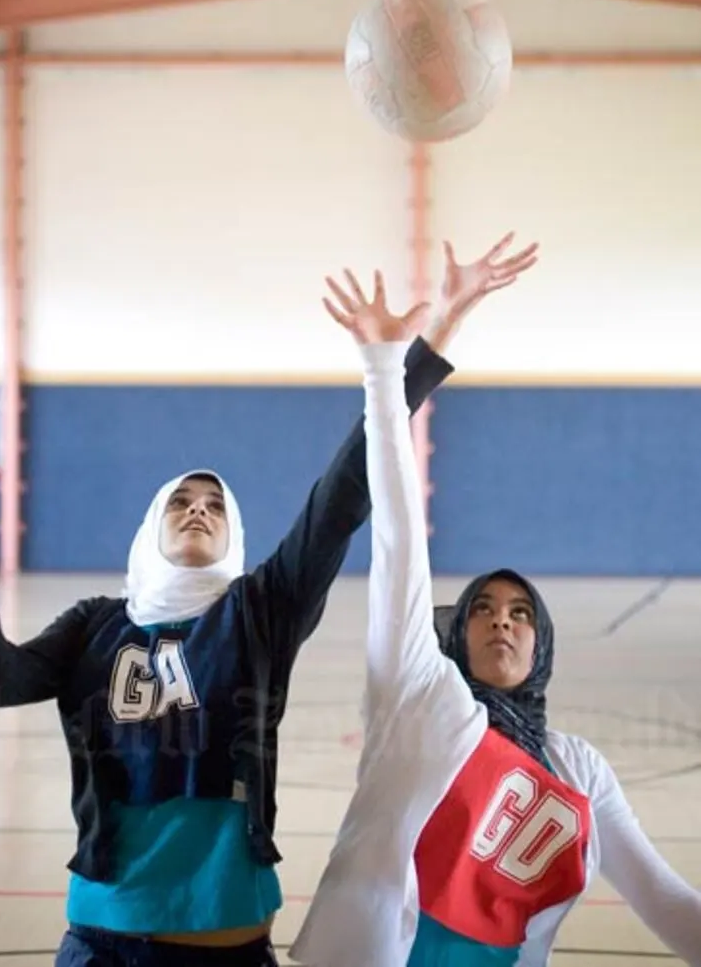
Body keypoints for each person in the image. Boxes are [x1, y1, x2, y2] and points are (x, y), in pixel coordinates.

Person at [0, 234, 537, 967]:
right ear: (149, 526)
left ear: (233, 532)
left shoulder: (259, 612)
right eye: (180, 501)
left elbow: (344, 492)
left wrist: (424, 342)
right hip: (99, 938)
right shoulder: (94, 624)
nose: (197, 509)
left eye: (213, 503)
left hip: (225, 942)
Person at [291, 270, 701, 967]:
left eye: (519, 612)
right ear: (454, 634)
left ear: (542, 643)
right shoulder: (419, 694)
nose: (500, 621)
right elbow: (396, 535)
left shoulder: (580, 770)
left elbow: (664, 900)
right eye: (481, 608)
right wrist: (385, 369)